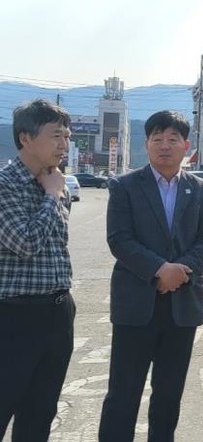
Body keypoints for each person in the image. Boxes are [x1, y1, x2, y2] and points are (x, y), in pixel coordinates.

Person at [98, 110, 203, 442]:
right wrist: (159, 270)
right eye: (157, 139)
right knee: (123, 394)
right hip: (136, 306)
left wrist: (179, 272)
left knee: (168, 396)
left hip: (182, 306)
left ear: (186, 146)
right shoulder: (124, 186)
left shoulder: (202, 190)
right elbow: (119, 239)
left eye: (172, 139)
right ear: (147, 144)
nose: (164, 146)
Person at [0, 99, 75, 441]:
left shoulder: (55, 182)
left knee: (40, 413)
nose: (64, 144)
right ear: (25, 138)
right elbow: (26, 242)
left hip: (58, 311)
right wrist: (52, 196)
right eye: (56, 135)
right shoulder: (6, 184)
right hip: (14, 316)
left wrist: (53, 191)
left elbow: (56, 247)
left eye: (67, 136)